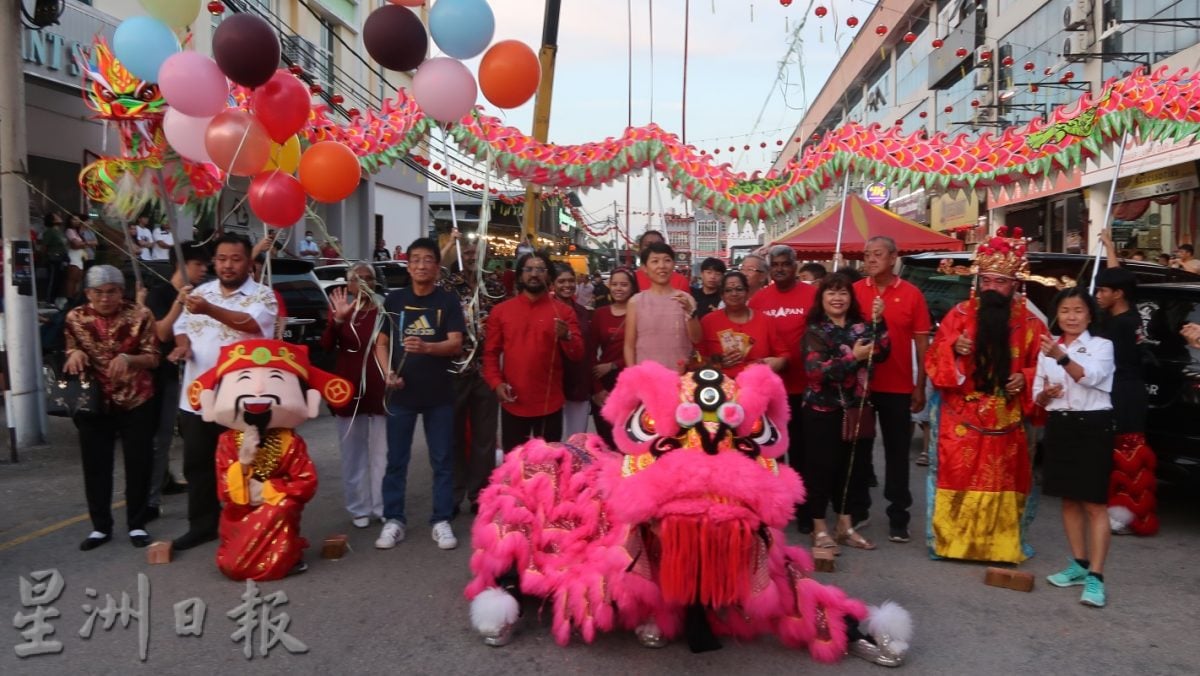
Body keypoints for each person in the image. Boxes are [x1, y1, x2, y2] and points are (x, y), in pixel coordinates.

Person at [925, 228, 1046, 563]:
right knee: (954, 476)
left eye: (1001, 282)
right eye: (988, 281)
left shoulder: (1032, 324)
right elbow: (934, 361)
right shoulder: (958, 316)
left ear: (1015, 285)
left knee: (1007, 481)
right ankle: (949, 543)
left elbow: (1047, 367)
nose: (993, 288)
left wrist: (1026, 376)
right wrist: (954, 348)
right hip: (960, 416)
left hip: (1006, 418)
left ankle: (1004, 544)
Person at [193, 339, 352, 580]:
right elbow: (225, 492)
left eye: (276, 379)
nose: (258, 390)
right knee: (233, 566)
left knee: (283, 506)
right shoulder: (227, 441)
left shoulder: (291, 442)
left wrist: (268, 489)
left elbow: (306, 482)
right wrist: (243, 463)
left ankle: (285, 556)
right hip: (240, 513)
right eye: (244, 378)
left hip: (278, 509)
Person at [170, 234, 278, 552]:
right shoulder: (198, 293)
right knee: (198, 465)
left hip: (243, 401)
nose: (228, 265)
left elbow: (248, 324)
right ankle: (202, 525)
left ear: (248, 262)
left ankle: (253, 524)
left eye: (235, 259)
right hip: (197, 398)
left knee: (250, 463)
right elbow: (181, 329)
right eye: (221, 259)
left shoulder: (263, 295)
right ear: (214, 262)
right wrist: (183, 348)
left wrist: (209, 308)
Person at [373, 238, 465, 550]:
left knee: (442, 459)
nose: (422, 265)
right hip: (401, 394)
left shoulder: (447, 300)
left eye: (428, 260)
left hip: (439, 393)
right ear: (408, 265)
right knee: (396, 460)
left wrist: (427, 347)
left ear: (437, 267)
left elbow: (455, 343)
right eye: (416, 260)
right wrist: (388, 372)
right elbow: (381, 343)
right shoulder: (394, 300)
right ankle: (393, 520)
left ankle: (441, 520)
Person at [63, 265, 161, 550]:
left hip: (136, 397)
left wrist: (129, 360)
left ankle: (137, 524)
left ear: (122, 292)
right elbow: (69, 348)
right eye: (98, 293)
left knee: (139, 462)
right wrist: (75, 353)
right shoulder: (75, 317)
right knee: (95, 464)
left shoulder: (140, 315)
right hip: (94, 400)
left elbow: (154, 357)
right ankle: (100, 527)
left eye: (112, 292)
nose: (105, 298)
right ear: (88, 293)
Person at [1033, 288, 1115, 608]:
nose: (1071, 316)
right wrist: (1046, 394)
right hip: (1061, 425)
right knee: (1068, 500)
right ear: (1057, 314)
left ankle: (1097, 576)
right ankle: (1079, 565)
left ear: (1090, 315)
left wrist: (1062, 357)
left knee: (1094, 503)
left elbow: (1091, 377)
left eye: (1078, 310)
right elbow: (1037, 396)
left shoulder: (1101, 346)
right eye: (1065, 310)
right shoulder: (1047, 350)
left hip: (1093, 425)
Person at [801, 273, 888, 553]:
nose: (837, 298)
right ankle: (819, 527)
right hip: (822, 410)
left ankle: (844, 525)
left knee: (853, 470)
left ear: (851, 298)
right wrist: (854, 358)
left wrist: (880, 320)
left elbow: (884, 351)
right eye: (831, 293)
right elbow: (816, 372)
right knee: (821, 469)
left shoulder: (861, 328)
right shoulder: (816, 331)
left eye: (843, 293)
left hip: (857, 409)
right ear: (822, 299)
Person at [852, 236, 931, 543]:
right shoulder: (856, 291)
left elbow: (923, 345)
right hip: (862, 386)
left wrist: (920, 386)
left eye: (877, 254)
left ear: (894, 257)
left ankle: (899, 515)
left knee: (898, 454)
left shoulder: (911, 294)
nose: (871, 260)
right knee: (859, 449)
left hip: (898, 386)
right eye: (867, 254)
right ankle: (858, 510)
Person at [483, 251, 584, 451]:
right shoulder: (501, 311)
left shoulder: (564, 312)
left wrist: (567, 337)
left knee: (547, 466)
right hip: (513, 401)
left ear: (549, 276)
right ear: (520, 276)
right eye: (528, 269)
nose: (534, 274)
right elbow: (490, 354)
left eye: (540, 269)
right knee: (514, 465)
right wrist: (496, 383)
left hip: (550, 403)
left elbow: (578, 354)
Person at [749, 245, 817, 530]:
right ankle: (775, 509)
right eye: (774, 264)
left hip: (805, 386)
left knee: (803, 451)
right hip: (770, 391)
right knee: (771, 452)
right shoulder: (759, 299)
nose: (779, 269)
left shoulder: (812, 295)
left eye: (784, 264)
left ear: (795, 265)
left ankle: (804, 510)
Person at [143, 241, 209, 520]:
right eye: (198, 264)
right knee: (159, 437)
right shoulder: (158, 295)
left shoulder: (205, 296)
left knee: (173, 435)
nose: (204, 270)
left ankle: (166, 481)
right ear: (181, 266)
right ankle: (150, 499)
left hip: (194, 375)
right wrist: (178, 304)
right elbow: (162, 333)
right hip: (160, 375)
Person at [441, 241, 506, 516]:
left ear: (486, 256)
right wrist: (449, 244)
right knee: (452, 433)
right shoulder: (449, 284)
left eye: (476, 252)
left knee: (485, 436)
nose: (471, 257)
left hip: (485, 370)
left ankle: (480, 493)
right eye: (466, 252)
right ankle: (454, 493)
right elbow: (436, 269)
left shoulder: (496, 287)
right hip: (453, 369)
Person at [1093, 264, 1158, 536]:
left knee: (1127, 455)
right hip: (1127, 390)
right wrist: (1108, 245)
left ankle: (1130, 515)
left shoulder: (1121, 324)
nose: (1097, 295)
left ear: (1118, 294)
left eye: (1103, 290)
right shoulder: (1129, 316)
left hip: (1124, 392)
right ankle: (1121, 510)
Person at [323, 263, 388, 529]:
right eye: (356, 278)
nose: (362, 282)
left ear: (375, 283)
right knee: (352, 453)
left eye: (368, 278)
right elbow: (325, 345)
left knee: (382, 453)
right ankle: (358, 507)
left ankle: (383, 505)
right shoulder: (340, 308)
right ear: (348, 284)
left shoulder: (385, 310)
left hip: (380, 388)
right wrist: (337, 320)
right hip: (348, 390)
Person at [625, 241, 700, 372]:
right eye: (655, 261)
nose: (662, 266)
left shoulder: (686, 299)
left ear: (673, 264)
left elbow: (696, 338)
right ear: (644, 268)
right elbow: (629, 345)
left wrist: (690, 312)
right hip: (647, 378)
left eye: (667, 260)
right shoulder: (635, 302)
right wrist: (634, 376)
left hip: (680, 376)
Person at [699, 270, 788, 377]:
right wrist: (717, 362)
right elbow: (697, 359)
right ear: (722, 295)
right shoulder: (708, 321)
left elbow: (784, 355)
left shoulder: (765, 321)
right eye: (728, 290)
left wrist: (777, 363)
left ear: (747, 293)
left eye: (739, 289)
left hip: (757, 384)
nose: (734, 294)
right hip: (720, 387)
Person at [590, 267, 636, 447]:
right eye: (614, 284)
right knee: (606, 441)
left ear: (632, 288)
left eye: (624, 285)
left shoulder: (639, 313)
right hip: (603, 381)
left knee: (628, 439)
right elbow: (590, 352)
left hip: (629, 382)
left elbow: (640, 351)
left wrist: (614, 365)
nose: (618, 288)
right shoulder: (600, 314)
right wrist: (597, 389)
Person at [554, 265, 594, 437]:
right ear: (552, 284)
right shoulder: (546, 309)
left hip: (578, 381)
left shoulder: (583, 312)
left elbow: (589, 347)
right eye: (561, 281)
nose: (567, 285)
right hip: (553, 382)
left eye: (571, 281)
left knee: (576, 439)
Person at [40, 212, 68, 302]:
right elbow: (44, 247)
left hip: (62, 258)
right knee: (52, 279)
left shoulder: (59, 232)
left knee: (58, 280)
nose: (60, 217)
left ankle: (55, 299)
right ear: (52, 220)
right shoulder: (49, 232)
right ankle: (49, 299)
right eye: (56, 216)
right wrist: (44, 258)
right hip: (53, 258)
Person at [63, 216, 87, 299]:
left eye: (78, 219)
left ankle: (75, 296)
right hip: (73, 256)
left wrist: (83, 244)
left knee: (78, 279)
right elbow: (76, 244)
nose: (77, 221)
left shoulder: (77, 232)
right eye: (74, 219)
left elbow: (81, 244)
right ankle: (69, 297)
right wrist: (88, 243)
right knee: (72, 279)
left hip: (79, 257)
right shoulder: (69, 231)